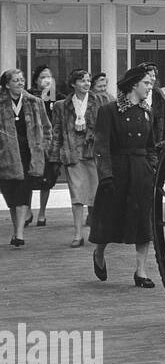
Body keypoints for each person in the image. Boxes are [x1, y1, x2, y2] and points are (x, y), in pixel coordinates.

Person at [90, 64, 159, 287]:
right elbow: (101, 146)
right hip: (117, 172)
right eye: (147, 83)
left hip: (141, 173)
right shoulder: (109, 110)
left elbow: (151, 146)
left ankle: (141, 271)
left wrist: (153, 167)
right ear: (134, 84)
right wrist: (106, 175)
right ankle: (99, 253)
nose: (151, 87)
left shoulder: (148, 112)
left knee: (143, 223)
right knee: (109, 220)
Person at [49, 69, 109, 247]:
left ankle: (97, 231)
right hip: (72, 154)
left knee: (96, 195)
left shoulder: (101, 101)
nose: (86, 83)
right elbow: (57, 131)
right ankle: (77, 234)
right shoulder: (62, 105)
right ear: (73, 83)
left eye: (88, 80)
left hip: (94, 153)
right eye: (82, 81)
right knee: (77, 196)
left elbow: (106, 129)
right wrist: (54, 158)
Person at [1, 68, 50, 247]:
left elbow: (47, 127)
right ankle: (16, 230)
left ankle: (20, 233)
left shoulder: (35, 102)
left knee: (23, 192)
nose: (20, 83)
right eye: (16, 80)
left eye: (22, 80)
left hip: (28, 154)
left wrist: (43, 147)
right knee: (11, 196)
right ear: (7, 84)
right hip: (6, 156)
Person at [28, 64, 62, 227]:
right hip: (32, 143)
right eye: (42, 77)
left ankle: (42, 213)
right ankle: (27, 211)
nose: (46, 80)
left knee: (48, 180)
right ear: (36, 80)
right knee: (28, 178)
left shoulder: (58, 97)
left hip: (50, 144)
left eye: (49, 76)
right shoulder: (28, 96)